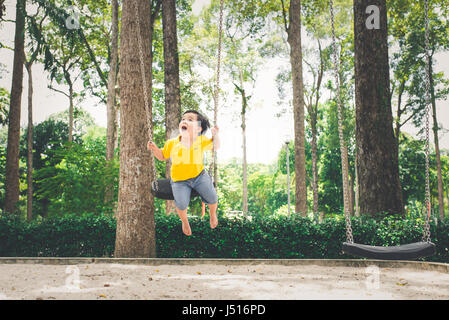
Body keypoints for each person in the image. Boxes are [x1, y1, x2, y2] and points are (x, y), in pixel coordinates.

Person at [147, 110, 220, 236]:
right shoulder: (172, 143)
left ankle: (212, 214)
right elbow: (162, 156)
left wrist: (215, 134)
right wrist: (154, 149)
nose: (185, 121)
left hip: (199, 177)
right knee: (181, 205)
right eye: (183, 119)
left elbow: (216, 146)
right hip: (179, 181)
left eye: (190, 119)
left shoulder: (201, 140)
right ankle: (185, 221)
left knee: (213, 198)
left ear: (198, 129)